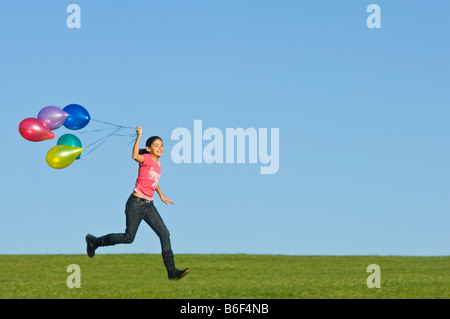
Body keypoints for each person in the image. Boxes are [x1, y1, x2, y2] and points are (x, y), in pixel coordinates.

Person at [85, 126, 189, 280]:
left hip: (149, 205)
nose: (160, 148)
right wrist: (139, 136)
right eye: (156, 145)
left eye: (162, 145)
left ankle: (172, 272)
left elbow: (154, 181)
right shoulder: (145, 158)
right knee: (129, 238)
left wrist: (161, 195)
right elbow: (134, 155)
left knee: (164, 233)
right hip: (136, 204)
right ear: (148, 148)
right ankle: (94, 242)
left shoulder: (158, 165)